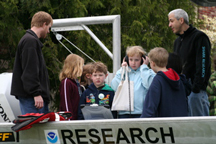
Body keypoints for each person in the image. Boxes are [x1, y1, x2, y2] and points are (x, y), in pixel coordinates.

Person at [168, 9, 211, 116]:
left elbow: (203, 64)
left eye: (171, 21)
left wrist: (196, 89)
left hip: (196, 93)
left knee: (201, 130)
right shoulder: (177, 42)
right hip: (182, 93)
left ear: (181, 20)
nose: (169, 25)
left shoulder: (199, 37)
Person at [11, 11, 53, 114]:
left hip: (31, 97)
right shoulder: (30, 41)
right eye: (49, 27)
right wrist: (36, 93)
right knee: (36, 129)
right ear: (44, 24)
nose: (48, 31)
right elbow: (30, 70)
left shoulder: (29, 40)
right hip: (32, 99)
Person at [140, 47, 188, 118]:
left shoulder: (158, 80)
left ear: (153, 63)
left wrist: (143, 122)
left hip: (164, 124)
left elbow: (150, 106)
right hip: (180, 122)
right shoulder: (177, 78)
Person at [111, 46, 155, 118]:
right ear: (126, 60)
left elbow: (149, 85)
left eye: (136, 60)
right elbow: (114, 86)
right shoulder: (123, 72)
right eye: (131, 60)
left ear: (143, 59)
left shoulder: (148, 72)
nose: (133, 63)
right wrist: (122, 70)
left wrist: (144, 68)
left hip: (142, 112)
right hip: (124, 112)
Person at [59, 54, 84, 120]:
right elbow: (65, 103)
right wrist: (69, 120)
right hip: (70, 121)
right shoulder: (66, 82)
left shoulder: (76, 83)